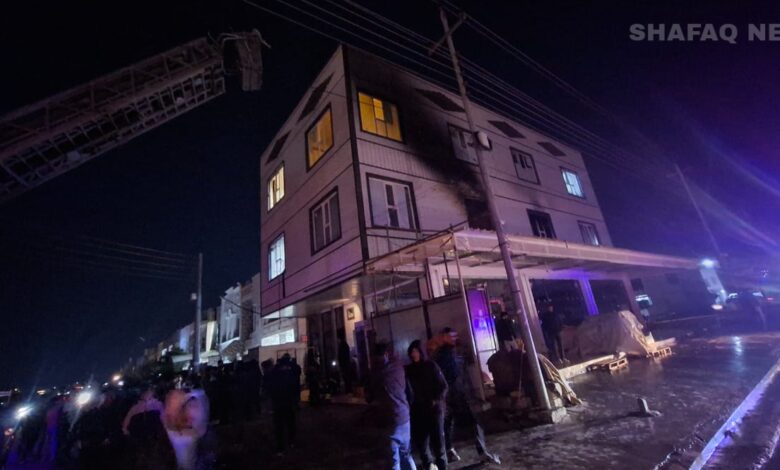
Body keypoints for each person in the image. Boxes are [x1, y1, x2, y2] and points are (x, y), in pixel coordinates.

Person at [432, 327, 500, 465]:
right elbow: (453, 375)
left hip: (452, 394)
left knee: (449, 423)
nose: (453, 338)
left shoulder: (448, 353)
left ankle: (450, 450)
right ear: (444, 337)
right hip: (455, 394)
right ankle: (480, 451)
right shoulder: (445, 355)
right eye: (450, 336)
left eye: (454, 336)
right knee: (473, 422)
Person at [366, 341, 416, 470]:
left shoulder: (376, 374)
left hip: (389, 419)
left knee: (395, 460)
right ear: (387, 353)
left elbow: (369, 397)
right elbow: (409, 392)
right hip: (404, 416)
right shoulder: (399, 367)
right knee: (407, 455)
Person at [405, 340, 448, 470]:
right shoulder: (409, 370)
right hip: (418, 411)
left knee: (438, 443)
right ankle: (429, 465)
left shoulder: (431, 366)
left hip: (434, 410)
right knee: (422, 443)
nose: (414, 354)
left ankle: (442, 466)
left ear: (421, 352)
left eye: (416, 351)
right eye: (411, 352)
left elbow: (443, 386)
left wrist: (436, 400)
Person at [162, 389, 216, 470]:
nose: (191, 411)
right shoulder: (161, 436)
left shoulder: (203, 438)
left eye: (194, 406)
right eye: (172, 404)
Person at [267, 354, 300, 455]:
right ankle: (291, 442)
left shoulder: (274, 374)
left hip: (278, 403)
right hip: (287, 402)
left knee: (279, 426)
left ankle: (280, 447)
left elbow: (270, 389)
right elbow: (294, 387)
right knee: (290, 424)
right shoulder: (289, 374)